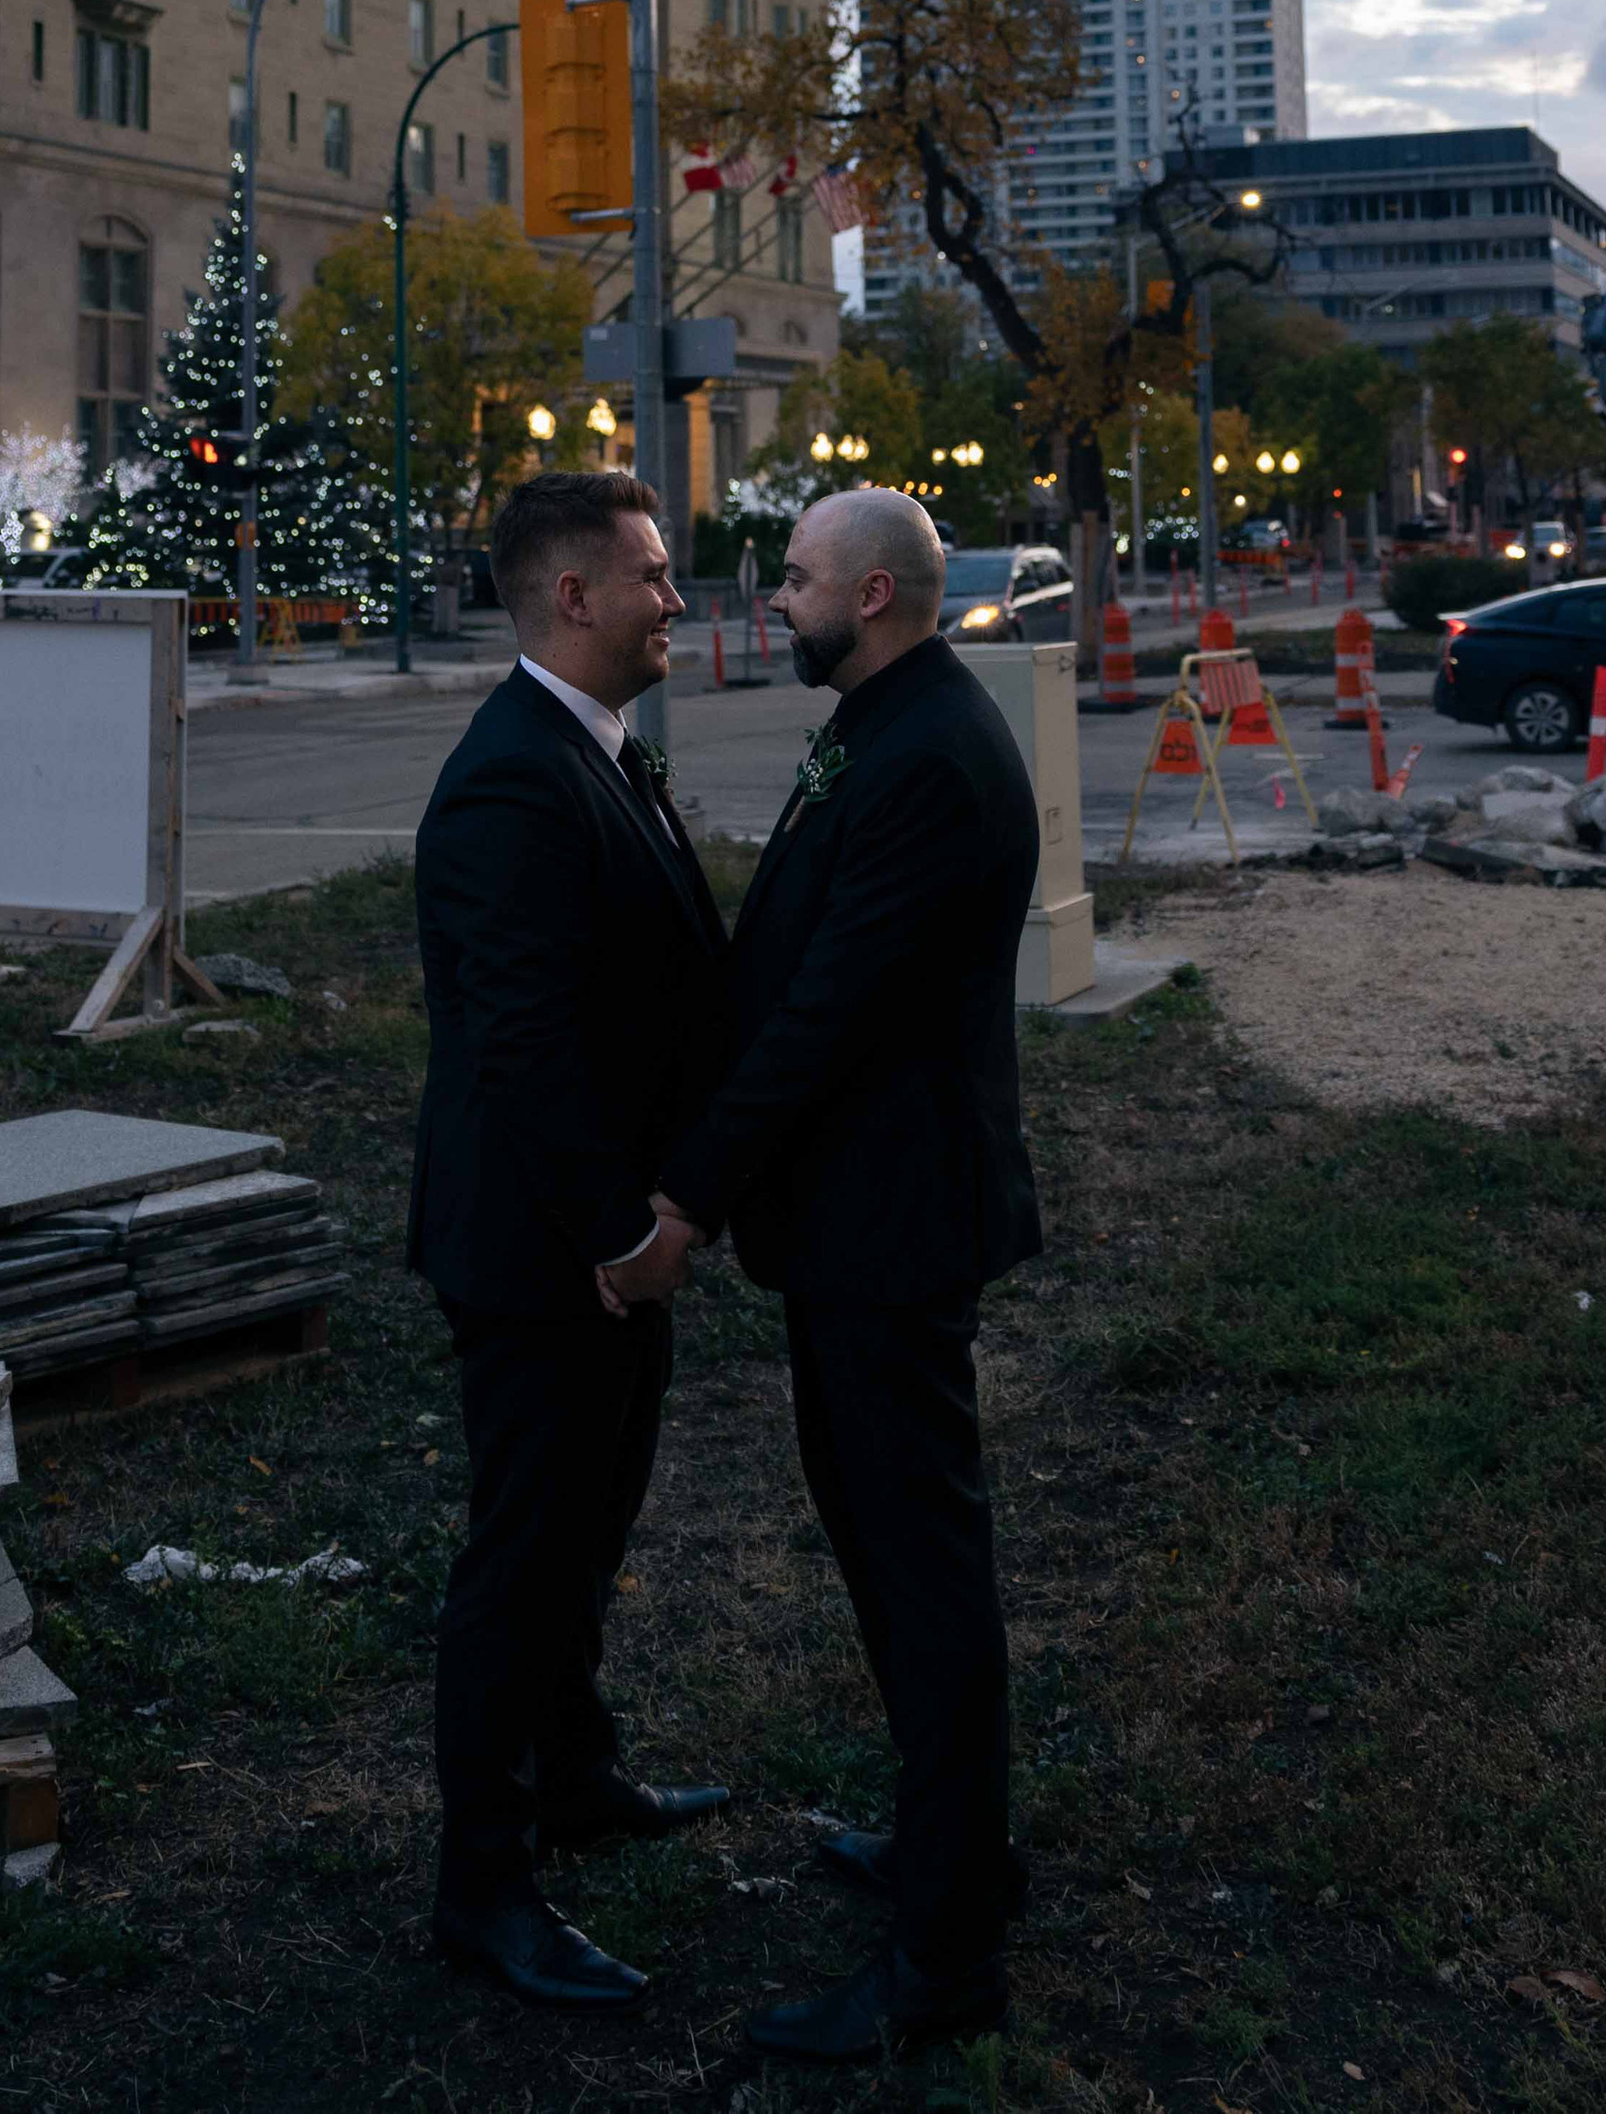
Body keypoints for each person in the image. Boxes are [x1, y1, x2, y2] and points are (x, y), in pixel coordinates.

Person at [655, 486, 1042, 2064]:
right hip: (858, 1220)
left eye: (799, 579)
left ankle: (945, 1957)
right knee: (894, 1558)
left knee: (920, 1569)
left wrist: (689, 1192)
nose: (779, 600)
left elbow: (829, 1015)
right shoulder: (883, 721)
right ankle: (956, 1850)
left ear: (873, 592)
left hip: (891, 1222)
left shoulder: (930, 759)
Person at [407, 469, 734, 2013]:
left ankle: (580, 1775)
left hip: (614, 1239)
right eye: (653, 578)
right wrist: (619, 1230)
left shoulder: (600, 751)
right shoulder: (510, 781)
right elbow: (520, 1042)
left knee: (590, 1535)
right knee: (523, 1563)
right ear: (571, 599)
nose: (678, 600)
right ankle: (485, 1883)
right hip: (546, 1254)